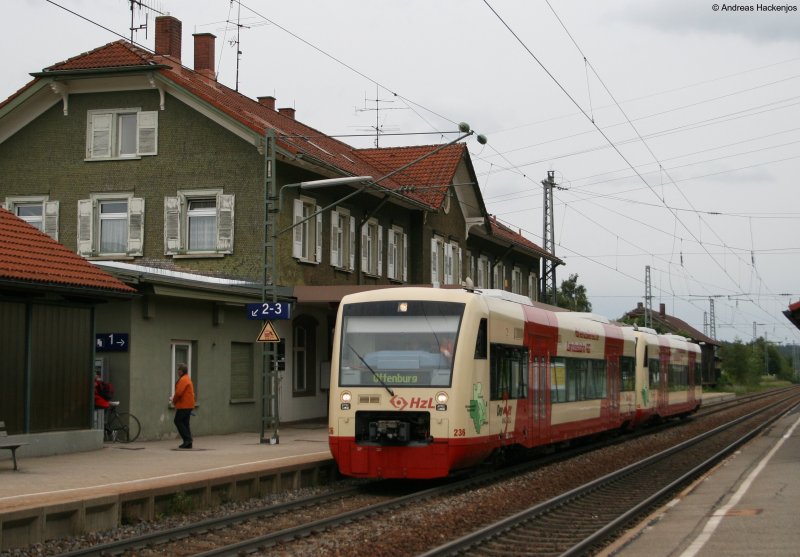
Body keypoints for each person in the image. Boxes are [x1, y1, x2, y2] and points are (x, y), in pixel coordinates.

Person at [170, 363, 195, 449]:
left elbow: (179, 393)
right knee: (185, 423)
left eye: (178, 370)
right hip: (188, 404)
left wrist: (173, 401)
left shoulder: (183, 380)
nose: (177, 372)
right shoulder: (187, 378)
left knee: (178, 421)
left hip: (184, 405)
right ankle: (188, 442)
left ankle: (188, 440)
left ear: (181, 371)